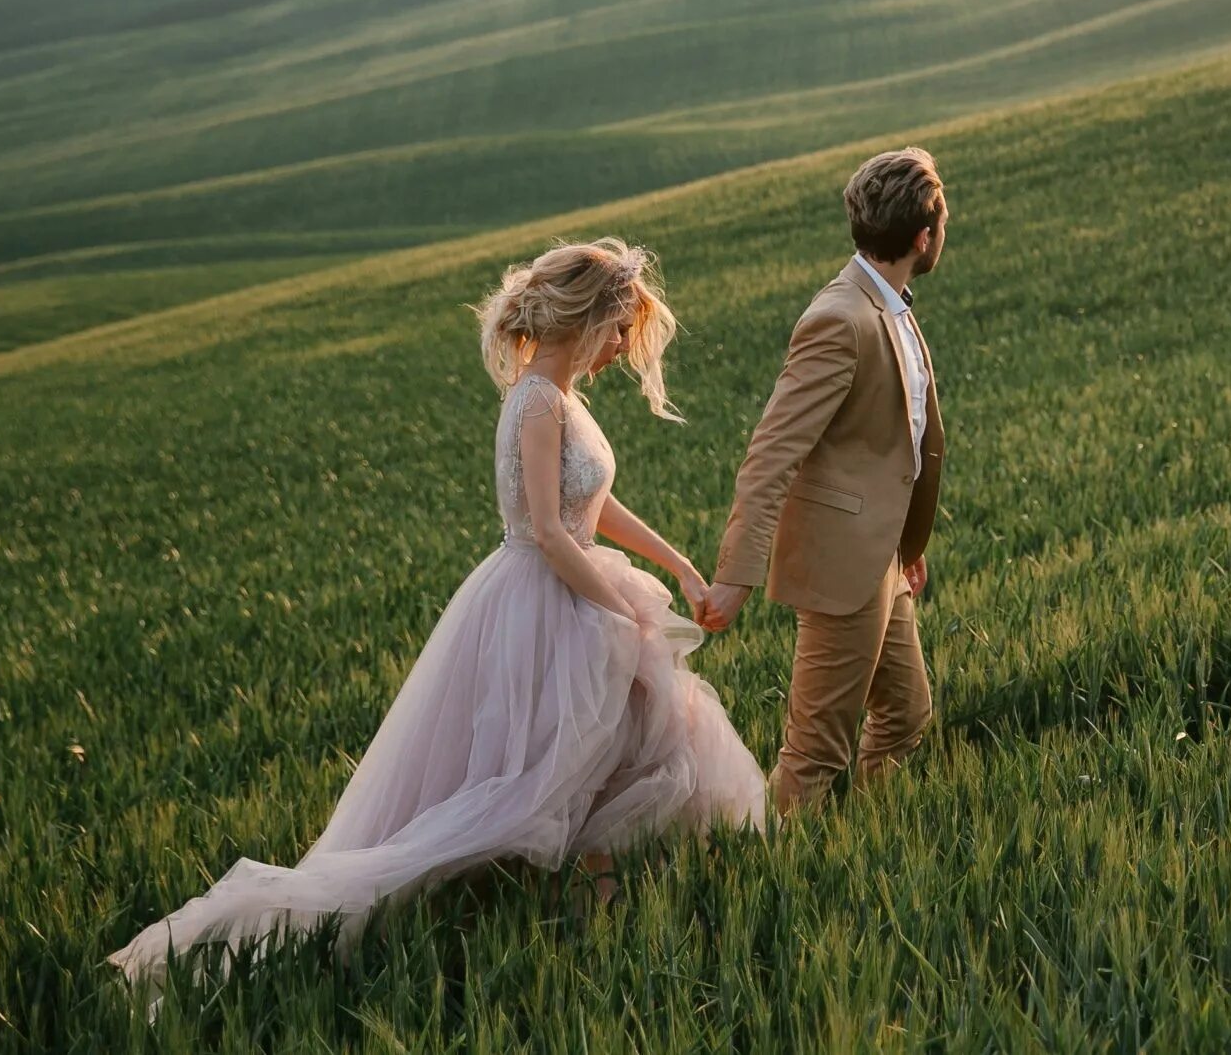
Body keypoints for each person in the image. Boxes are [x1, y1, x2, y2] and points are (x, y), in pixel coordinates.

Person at [111, 239, 765, 987]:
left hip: (574, 587)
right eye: (618, 329)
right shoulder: (537, 401)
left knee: (601, 756)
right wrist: (621, 609)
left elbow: (593, 504)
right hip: (543, 601)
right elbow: (550, 532)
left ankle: (593, 917)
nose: (622, 347)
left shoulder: (564, 399)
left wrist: (677, 563)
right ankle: (551, 917)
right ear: (585, 319)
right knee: (542, 774)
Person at [701, 148, 947, 816]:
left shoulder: (888, 304)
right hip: (843, 563)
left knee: (905, 714)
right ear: (923, 237)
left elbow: (890, 440)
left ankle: (868, 846)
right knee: (813, 756)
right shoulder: (840, 318)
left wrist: (906, 545)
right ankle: (762, 870)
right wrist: (737, 574)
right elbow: (771, 452)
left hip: (882, 557)